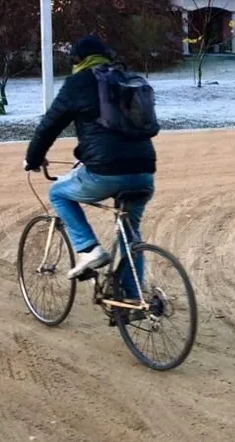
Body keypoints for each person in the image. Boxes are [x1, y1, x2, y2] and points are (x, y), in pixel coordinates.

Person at [24, 36, 157, 295]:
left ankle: (88, 249)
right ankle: (132, 298)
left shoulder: (78, 83)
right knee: (130, 234)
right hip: (144, 170)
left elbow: (49, 126)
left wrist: (32, 159)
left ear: (77, 60)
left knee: (58, 193)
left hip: (105, 171)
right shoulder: (125, 78)